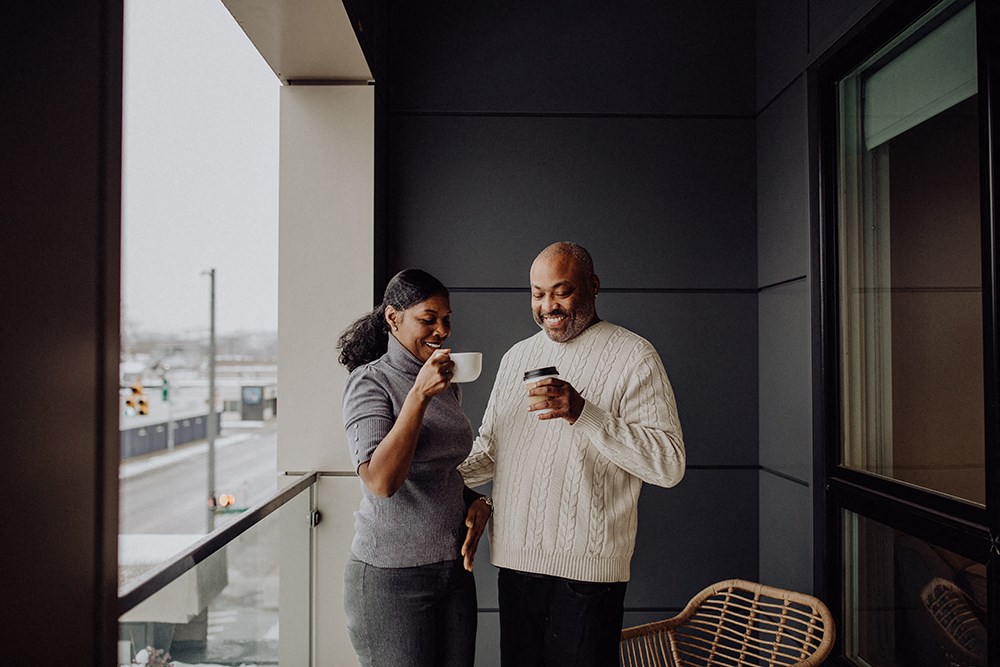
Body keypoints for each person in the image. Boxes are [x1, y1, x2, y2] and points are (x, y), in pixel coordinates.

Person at [459, 242, 686, 666]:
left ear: (593, 286)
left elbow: (670, 464)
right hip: (515, 565)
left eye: (561, 291)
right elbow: (490, 451)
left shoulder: (634, 356)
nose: (548, 306)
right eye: (537, 293)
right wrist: (429, 476)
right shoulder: (516, 358)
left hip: (589, 574)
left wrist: (584, 413)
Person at [338, 268, 492, 667]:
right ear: (393, 318)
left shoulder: (447, 382)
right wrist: (419, 395)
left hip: (453, 571)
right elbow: (381, 481)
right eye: (428, 319)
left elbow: (440, 467)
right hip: (391, 580)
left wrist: (475, 500)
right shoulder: (369, 382)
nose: (441, 330)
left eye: (446, 320)